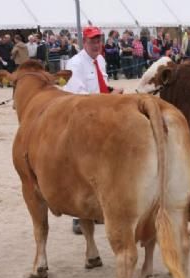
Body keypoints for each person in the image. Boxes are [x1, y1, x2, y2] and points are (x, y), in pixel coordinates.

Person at [63, 26, 123, 233]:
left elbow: (101, 87)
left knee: (103, 168)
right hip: (83, 121)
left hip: (102, 118)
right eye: (92, 41)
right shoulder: (75, 64)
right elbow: (79, 96)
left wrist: (111, 91)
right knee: (81, 171)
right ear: (84, 42)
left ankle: (98, 211)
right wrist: (108, 98)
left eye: (98, 40)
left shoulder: (101, 60)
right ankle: (78, 218)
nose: (96, 44)